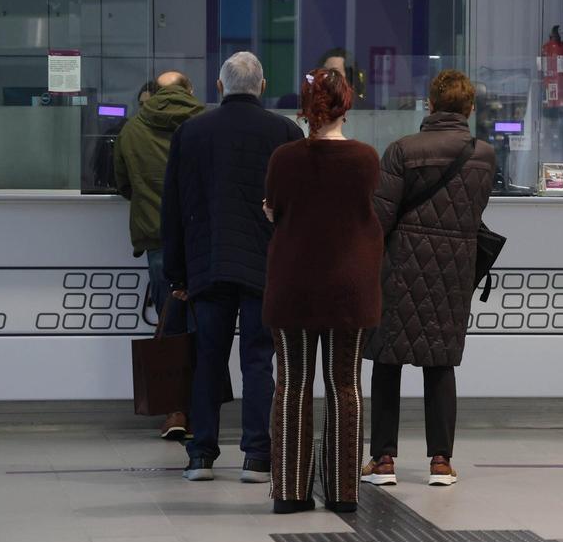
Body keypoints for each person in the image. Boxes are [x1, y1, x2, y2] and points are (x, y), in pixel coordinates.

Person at [161, 52, 304, 483]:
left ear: (220, 88)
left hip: (207, 264)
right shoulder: (285, 132)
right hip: (264, 266)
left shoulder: (191, 132)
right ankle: (257, 457)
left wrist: (177, 274)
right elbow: (296, 209)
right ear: (262, 87)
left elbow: (172, 207)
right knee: (259, 360)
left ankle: (201, 454)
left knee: (207, 358)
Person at [361, 70, 497, 487]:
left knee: (388, 360)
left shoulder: (402, 150)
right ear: (470, 109)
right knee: (440, 363)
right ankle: (441, 461)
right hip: (455, 270)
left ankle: (383, 460)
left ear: (430, 104)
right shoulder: (485, 155)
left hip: (400, 267)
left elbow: (380, 217)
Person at [262, 68, 383, 514]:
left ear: (306, 107)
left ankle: (291, 492)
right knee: (345, 385)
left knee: (292, 384)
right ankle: (343, 491)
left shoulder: (284, 158)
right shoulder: (366, 159)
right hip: (348, 289)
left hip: (293, 285)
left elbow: (274, 211)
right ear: (345, 105)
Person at [113, 71, 204, 441]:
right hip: (202, 238)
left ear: (153, 93)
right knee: (204, 325)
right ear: (190, 91)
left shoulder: (131, 130)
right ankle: (203, 411)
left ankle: (175, 410)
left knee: (170, 323)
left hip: (158, 238)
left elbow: (122, 184)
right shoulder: (207, 125)